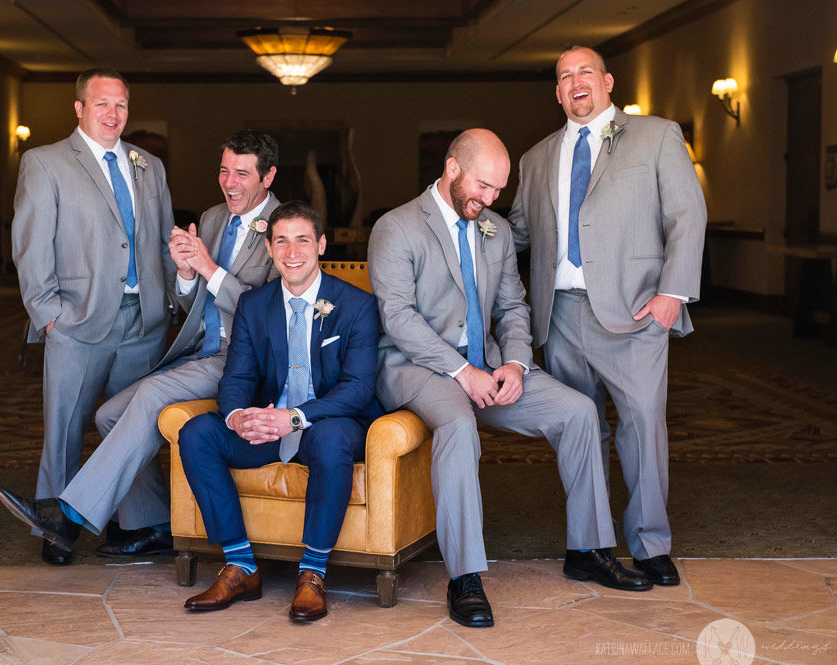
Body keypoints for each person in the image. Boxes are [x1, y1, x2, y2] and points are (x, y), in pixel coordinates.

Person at [368, 129, 650, 629]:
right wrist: (462, 372)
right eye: (483, 186)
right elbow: (398, 319)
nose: (490, 199)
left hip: (488, 363)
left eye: (499, 190)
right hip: (415, 367)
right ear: (452, 168)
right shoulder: (397, 227)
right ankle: (465, 577)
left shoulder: (493, 229)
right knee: (457, 424)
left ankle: (588, 548)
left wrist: (516, 364)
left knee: (579, 411)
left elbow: (513, 306)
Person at [0, 130, 281, 562]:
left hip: (246, 361)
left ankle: (68, 516)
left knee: (147, 394)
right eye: (224, 170)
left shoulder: (286, 228)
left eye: (242, 173)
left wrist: (209, 268)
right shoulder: (210, 219)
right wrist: (186, 274)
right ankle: (155, 524)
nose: (230, 182)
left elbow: (271, 319)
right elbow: (190, 302)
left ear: (268, 177)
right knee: (109, 413)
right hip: (200, 350)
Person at [508, 46, 706, 586]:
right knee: (581, 431)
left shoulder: (656, 135)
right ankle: (589, 547)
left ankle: (650, 544)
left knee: (642, 427)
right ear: (556, 91)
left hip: (637, 312)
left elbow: (688, 215)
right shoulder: (536, 158)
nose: (576, 82)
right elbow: (516, 236)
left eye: (585, 72)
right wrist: (453, 220)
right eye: (565, 76)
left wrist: (673, 295)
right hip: (561, 315)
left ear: (608, 82)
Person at [178, 200, 383, 623]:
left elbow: (358, 389)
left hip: (325, 424)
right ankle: (240, 566)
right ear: (269, 249)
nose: (292, 252)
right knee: (198, 432)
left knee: (330, 439)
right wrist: (237, 417)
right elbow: (236, 378)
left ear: (322, 244)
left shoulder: (357, 305)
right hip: (268, 429)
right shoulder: (254, 305)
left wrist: (294, 417)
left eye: (303, 240)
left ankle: (312, 573)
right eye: (282, 241)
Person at [11, 68, 175, 565]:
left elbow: (163, 239)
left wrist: (167, 302)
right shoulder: (45, 163)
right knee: (64, 426)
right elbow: (30, 245)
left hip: (142, 321)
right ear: (79, 108)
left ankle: (145, 524)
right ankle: (57, 530)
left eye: (121, 105)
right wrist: (49, 316)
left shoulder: (149, 164)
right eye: (101, 104)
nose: (113, 114)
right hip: (76, 321)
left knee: (132, 422)